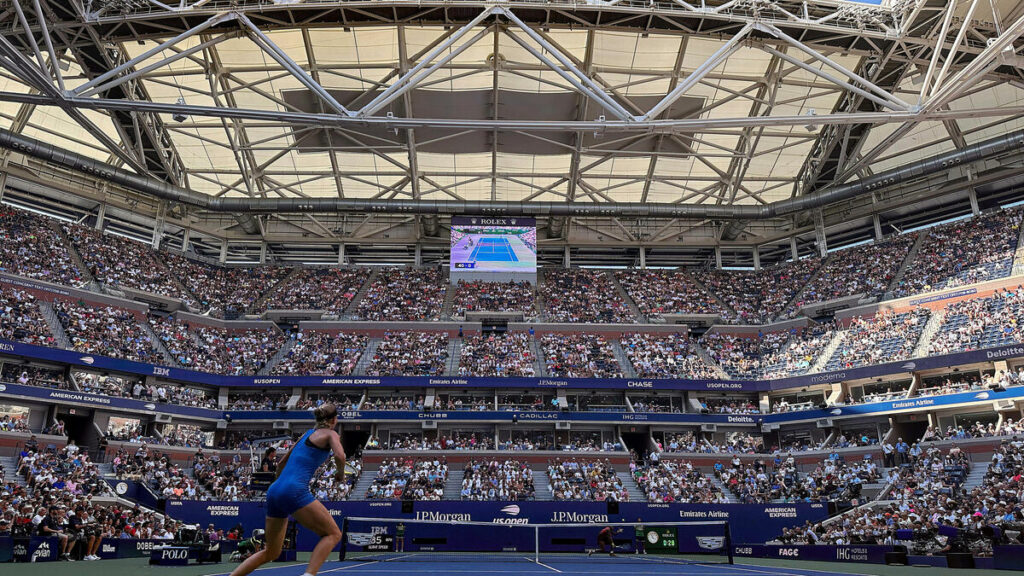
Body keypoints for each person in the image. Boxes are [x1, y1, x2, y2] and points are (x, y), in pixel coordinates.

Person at [229, 404, 347, 576]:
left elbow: (282, 462)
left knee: (271, 552)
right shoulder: (331, 434)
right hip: (294, 490)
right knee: (333, 534)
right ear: (333, 420)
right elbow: (340, 456)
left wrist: (280, 486)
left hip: (274, 490)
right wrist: (340, 474)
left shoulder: (306, 434)